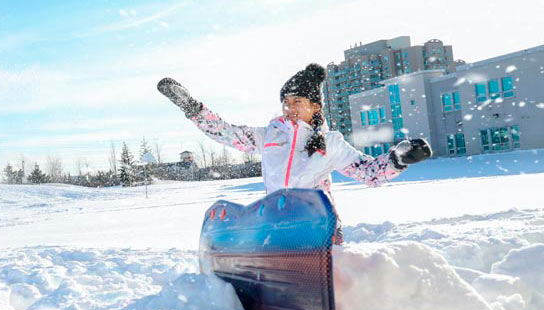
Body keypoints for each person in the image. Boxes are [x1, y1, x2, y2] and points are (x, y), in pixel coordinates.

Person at [158, 63, 431, 241]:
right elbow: (226, 133)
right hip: (277, 227)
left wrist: (397, 158)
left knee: (321, 286)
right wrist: (192, 108)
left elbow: (369, 173)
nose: (289, 108)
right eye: (285, 102)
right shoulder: (269, 136)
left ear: (315, 106)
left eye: (297, 101)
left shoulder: (330, 143)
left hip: (318, 229)